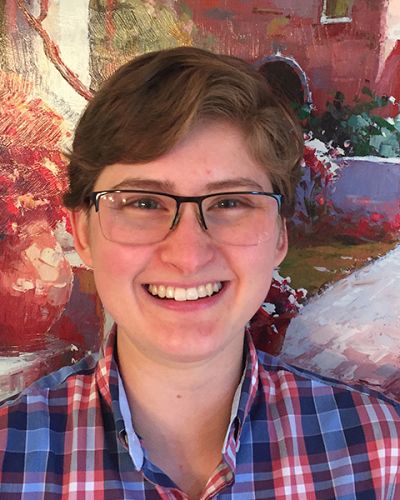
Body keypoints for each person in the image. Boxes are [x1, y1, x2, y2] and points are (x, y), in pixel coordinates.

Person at [0, 46, 399, 500]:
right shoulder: (8, 457)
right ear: (83, 233)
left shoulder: (380, 456)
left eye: (230, 202)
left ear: (279, 236)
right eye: (143, 203)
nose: (188, 255)